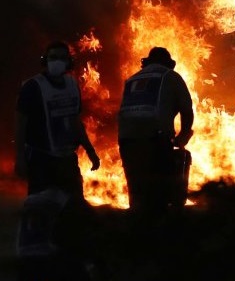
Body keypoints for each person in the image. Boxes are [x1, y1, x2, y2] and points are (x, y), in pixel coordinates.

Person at [14, 40, 101, 199]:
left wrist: (90, 151)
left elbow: (76, 122)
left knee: (73, 206)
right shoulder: (33, 86)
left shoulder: (72, 85)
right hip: (41, 160)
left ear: (69, 62)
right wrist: (20, 157)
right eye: (53, 57)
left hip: (67, 159)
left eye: (62, 58)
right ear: (45, 61)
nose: (57, 61)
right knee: (41, 207)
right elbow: (21, 124)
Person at [118, 46, 194, 223]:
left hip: (127, 142)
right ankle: (159, 234)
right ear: (169, 63)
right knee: (159, 193)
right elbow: (186, 109)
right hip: (155, 140)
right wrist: (183, 135)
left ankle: (135, 231)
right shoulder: (171, 76)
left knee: (137, 191)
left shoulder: (132, 79)